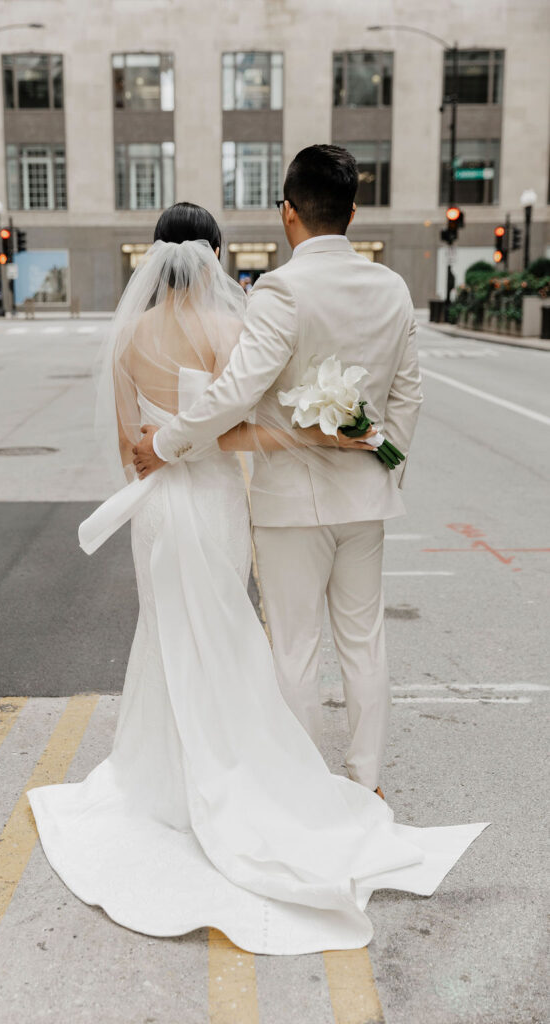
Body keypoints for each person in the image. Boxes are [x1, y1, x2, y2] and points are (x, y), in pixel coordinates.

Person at [28, 196, 487, 956]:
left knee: (168, 634)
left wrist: (159, 451)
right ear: (212, 257)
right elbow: (236, 425)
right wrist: (320, 439)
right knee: (229, 634)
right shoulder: (226, 327)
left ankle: (161, 783)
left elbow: (129, 448)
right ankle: (256, 774)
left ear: (155, 256)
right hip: (209, 505)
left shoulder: (126, 340)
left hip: (155, 514)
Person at [134, 146, 417, 796]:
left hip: (290, 504)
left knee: (294, 647)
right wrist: (384, 460)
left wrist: (169, 443)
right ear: (352, 210)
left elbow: (234, 393)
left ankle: (304, 786)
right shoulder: (391, 289)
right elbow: (407, 396)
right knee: (363, 641)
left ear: (287, 212)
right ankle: (366, 780)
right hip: (367, 498)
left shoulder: (282, 291)